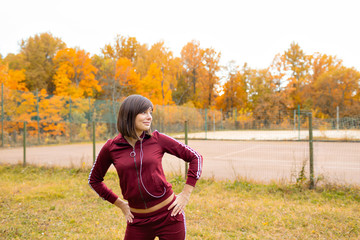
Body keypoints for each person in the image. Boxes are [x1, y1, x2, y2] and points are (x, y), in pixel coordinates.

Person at [88, 94, 203, 240]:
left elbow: (195, 157)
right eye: (143, 112)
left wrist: (186, 194)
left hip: (169, 215)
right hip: (138, 221)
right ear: (129, 115)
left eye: (150, 112)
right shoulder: (111, 147)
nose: (149, 117)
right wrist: (120, 204)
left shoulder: (157, 139)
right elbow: (94, 180)